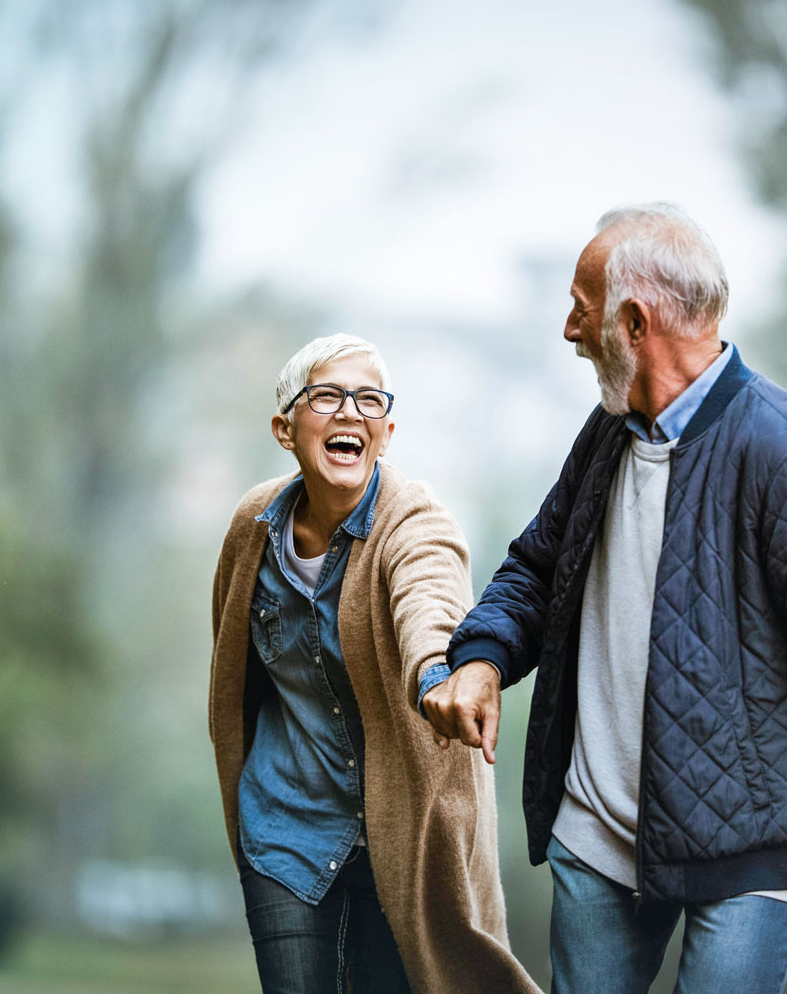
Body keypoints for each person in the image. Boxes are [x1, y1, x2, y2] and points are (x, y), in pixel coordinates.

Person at [423, 203, 787, 994]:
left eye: (580, 307)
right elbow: (538, 567)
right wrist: (481, 657)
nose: (570, 331)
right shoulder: (608, 432)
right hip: (597, 837)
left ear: (633, 321)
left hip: (751, 851)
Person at [208, 334, 540, 994]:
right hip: (285, 826)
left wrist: (438, 677)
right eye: (327, 396)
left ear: (386, 432)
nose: (349, 412)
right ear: (285, 428)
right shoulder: (253, 528)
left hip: (401, 840)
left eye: (368, 400)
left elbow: (430, 601)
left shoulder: (413, 521)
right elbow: (232, 666)